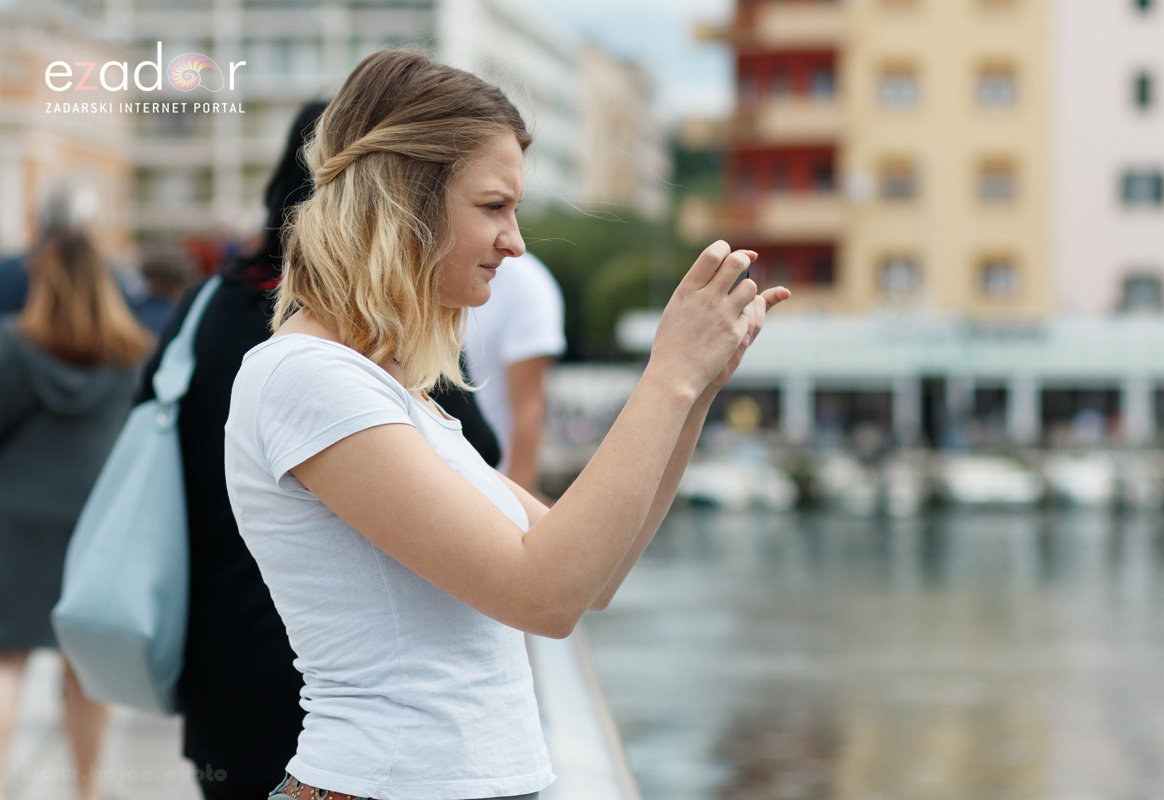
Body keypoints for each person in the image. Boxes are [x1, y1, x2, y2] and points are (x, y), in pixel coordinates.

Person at [225, 49, 788, 800]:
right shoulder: (306, 379)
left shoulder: (391, 390)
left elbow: (594, 575)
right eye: (494, 207)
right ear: (407, 201)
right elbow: (543, 597)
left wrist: (693, 395)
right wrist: (667, 376)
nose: (516, 241)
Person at [137, 99, 502, 800]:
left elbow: (152, 426)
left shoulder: (206, 309)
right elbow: (476, 450)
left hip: (221, 656)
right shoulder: (367, 336)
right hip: (355, 676)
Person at [0, 229, 153, 800]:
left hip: (13, 521)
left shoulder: (13, 348)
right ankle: (88, 790)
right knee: (84, 670)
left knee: (6, 662)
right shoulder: (134, 354)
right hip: (95, 524)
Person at [463, 251, 565, 494]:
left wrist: (517, 507)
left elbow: (530, 409)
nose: (515, 243)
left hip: (489, 487)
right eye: (493, 209)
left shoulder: (524, 283)